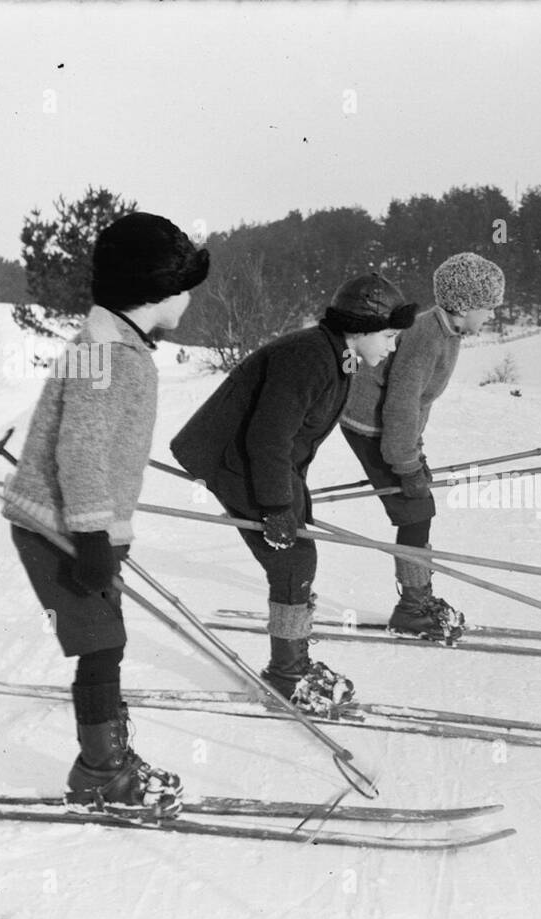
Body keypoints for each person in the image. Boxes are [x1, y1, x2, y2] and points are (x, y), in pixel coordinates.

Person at [2, 212, 209, 818]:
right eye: (183, 285)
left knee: (105, 642)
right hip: (59, 526)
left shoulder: (116, 345)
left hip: (80, 524)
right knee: (101, 642)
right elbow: (81, 452)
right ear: (154, 290)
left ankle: (106, 763)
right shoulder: (109, 354)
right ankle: (101, 772)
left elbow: (100, 443)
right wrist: (94, 537)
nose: (190, 297)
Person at [171, 273, 416, 712]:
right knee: (293, 559)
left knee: (297, 547)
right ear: (361, 328)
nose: (392, 346)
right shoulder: (310, 357)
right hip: (233, 458)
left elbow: (295, 436)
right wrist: (277, 507)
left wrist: (293, 500)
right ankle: (287, 675)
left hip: (258, 458)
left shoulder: (335, 356)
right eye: (389, 335)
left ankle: (293, 660)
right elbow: (268, 437)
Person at [339, 252, 504, 642]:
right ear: (464, 306)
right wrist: (406, 464)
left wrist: (415, 452)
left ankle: (418, 598)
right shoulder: (429, 337)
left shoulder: (448, 331)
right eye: (489, 308)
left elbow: (418, 403)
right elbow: (401, 403)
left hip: (391, 428)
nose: (492, 316)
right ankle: (412, 608)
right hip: (370, 426)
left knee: (418, 509)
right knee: (415, 510)